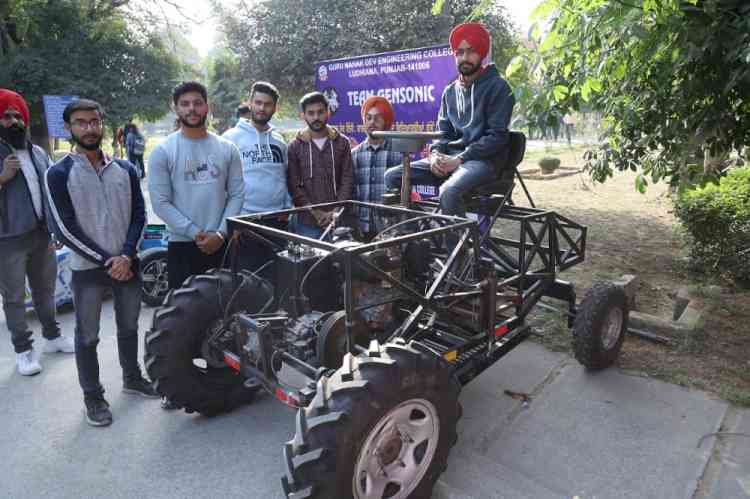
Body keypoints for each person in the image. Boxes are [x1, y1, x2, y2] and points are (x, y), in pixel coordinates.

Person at [45, 99, 157, 427]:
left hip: (127, 262)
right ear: (69, 128)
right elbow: (63, 228)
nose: (89, 128)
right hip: (88, 270)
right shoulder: (58, 173)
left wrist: (126, 254)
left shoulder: (125, 168)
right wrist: (108, 260)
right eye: (81, 122)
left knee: (129, 326)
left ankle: (132, 379)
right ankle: (93, 397)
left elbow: (139, 215)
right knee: (87, 336)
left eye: (94, 121)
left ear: (102, 124)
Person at [148, 81, 244, 410]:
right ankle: (180, 385)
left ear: (207, 106)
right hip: (182, 246)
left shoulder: (225, 149)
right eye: (185, 104)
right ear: (176, 109)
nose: (192, 109)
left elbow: (237, 194)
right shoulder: (163, 151)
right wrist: (194, 232)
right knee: (180, 320)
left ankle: (231, 376)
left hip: (222, 243)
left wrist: (220, 232)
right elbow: (160, 202)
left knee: (226, 315)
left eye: (197, 103)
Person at [384, 22, 515, 218]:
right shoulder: (450, 91)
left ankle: (459, 248)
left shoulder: (499, 87)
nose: (464, 58)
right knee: (393, 177)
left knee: (449, 191)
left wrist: (459, 159)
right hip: (451, 158)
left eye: (471, 51)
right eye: (459, 52)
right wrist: (436, 155)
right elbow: (442, 133)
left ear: (481, 53)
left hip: (483, 162)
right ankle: (415, 238)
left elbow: (496, 137)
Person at [0, 89, 74, 376]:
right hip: (8, 240)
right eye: (6, 116)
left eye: (18, 115)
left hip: (41, 235)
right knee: (15, 297)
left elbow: (51, 193)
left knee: (46, 290)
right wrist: (3, 178)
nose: (13, 121)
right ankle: (23, 350)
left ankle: (52, 337)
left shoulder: (37, 152)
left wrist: (56, 229)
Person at [222, 81, 291, 273]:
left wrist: (287, 208)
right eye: (258, 102)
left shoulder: (279, 140)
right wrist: (229, 221)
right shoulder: (230, 138)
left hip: (277, 222)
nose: (262, 108)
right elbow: (221, 183)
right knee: (246, 283)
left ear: (275, 107)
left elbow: (284, 176)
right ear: (250, 103)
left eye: (267, 104)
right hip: (244, 222)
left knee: (276, 279)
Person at [287, 91, 353, 239]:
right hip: (307, 223)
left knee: (340, 262)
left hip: (338, 221)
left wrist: (336, 210)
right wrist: (315, 212)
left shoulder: (342, 143)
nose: (316, 117)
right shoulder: (295, 146)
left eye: (320, 112)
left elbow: (347, 179)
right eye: (311, 113)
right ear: (303, 115)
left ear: (328, 112)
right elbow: (294, 185)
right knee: (311, 263)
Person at [351, 96, 402, 240]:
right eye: (368, 118)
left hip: (391, 229)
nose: (372, 122)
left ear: (386, 121)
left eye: (377, 118)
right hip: (362, 229)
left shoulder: (399, 153)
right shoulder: (354, 155)